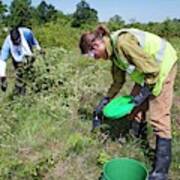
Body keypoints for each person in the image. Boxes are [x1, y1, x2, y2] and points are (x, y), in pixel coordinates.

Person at [79, 25, 178, 180]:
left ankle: (161, 171)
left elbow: (153, 70)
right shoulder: (114, 54)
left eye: (93, 55)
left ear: (97, 45)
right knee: (133, 108)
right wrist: (104, 101)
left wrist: (143, 94)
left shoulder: (123, 44)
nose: (96, 59)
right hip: (146, 72)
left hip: (162, 64)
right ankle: (136, 139)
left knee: (158, 116)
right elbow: (118, 82)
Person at [0, 27, 43, 95]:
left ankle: (37, 88)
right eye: (15, 43)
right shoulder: (7, 43)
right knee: (20, 76)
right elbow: (2, 60)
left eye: (18, 41)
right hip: (17, 60)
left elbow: (34, 43)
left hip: (29, 54)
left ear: (20, 36)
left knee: (33, 72)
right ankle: (21, 93)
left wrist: (39, 50)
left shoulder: (27, 33)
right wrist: (2, 78)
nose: (17, 43)